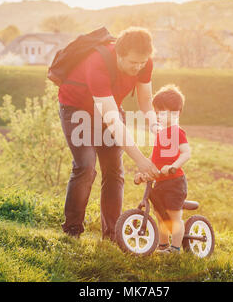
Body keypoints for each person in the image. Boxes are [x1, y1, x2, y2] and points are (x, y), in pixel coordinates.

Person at [58, 27, 160, 240]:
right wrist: (140, 160)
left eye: (142, 62)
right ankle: (72, 230)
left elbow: (145, 102)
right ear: (119, 55)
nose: (139, 67)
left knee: (114, 170)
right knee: (85, 166)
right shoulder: (98, 62)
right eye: (133, 63)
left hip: (110, 106)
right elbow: (112, 120)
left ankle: (113, 234)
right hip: (77, 111)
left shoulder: (144, 62)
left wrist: (156, 128)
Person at [135, 84, 191, 253]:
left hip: (174, 182)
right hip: (159, 182)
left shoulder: (177, 132)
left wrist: (173, 167)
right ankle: (163, 245)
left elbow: (186, 153)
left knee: (174, 217)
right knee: (160, 216)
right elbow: (154, 159)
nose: (158, 115)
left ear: (176, 113)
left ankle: (175, 249)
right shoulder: (160, 134)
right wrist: (144, 173)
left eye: (163, 112)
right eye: (157, 112)